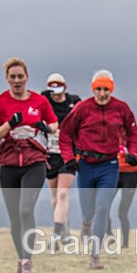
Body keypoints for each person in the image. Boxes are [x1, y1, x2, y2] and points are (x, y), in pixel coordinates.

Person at [0, 57, 58, 273]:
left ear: (26, 77)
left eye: (20, 76)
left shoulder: (38, 101)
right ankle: (21, 261)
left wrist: (44, 127)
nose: (17, 81)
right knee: (15, 217)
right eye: (13, 77)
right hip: (8, 166)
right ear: (7, 79)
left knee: (26, 209)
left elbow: (54, 124)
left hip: (34, 162)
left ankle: (27, 262)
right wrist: (9, 124)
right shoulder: (0, 103)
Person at [59, 70, 137, 270]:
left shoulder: (121, 108)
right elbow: (65, 133)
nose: (102, 93)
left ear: (111, 89)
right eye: (98, 89)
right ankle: (86, 224)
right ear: (93, 89)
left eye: (106, 89)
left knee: (102, 208)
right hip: (85, 165)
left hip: (109, 166)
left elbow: (132, 132)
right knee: (88, 212)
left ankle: (95, 255)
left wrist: (133, 153)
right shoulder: (82, 108)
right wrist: (69, 159)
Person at [42, 73, 81, 247]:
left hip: (68, 154)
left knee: (63, 193)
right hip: (50, 153)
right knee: (54, 196)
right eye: (52, 91)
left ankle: (56, 235)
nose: (55, 95)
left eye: (58, 91)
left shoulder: (74, 102)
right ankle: (64, 228)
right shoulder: (43, 101)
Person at [114, 128, 137, 248]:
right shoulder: (109, 128)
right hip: (112, 173)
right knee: (103, 207)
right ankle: (108, 236)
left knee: (122, 212)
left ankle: (125, 243)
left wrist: (132, 156)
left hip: (130, 175)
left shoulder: (136, 131)